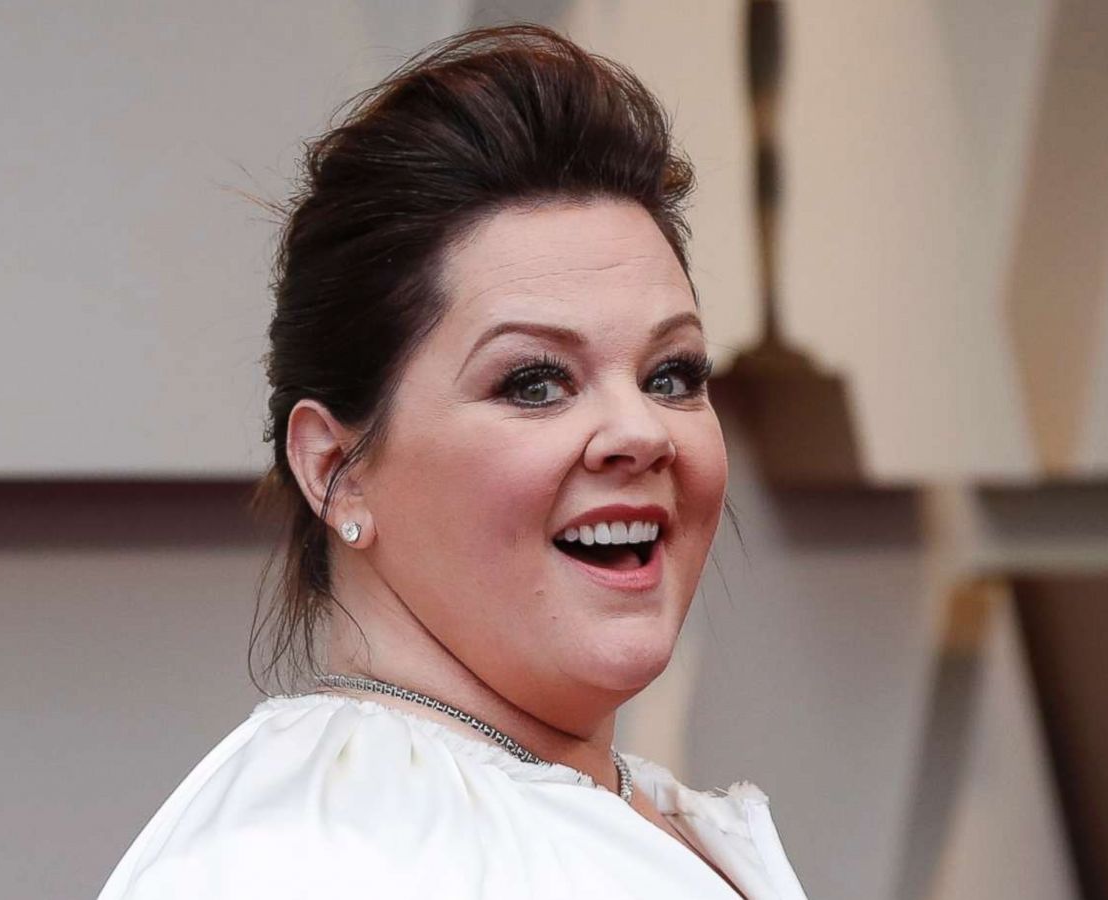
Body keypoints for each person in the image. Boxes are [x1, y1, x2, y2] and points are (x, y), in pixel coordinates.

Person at [97, 23, 807, 900]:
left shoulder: (631, 816)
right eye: (536, 382)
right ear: (335, 469)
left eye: (672, 374)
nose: (642, 432)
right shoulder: (313, 861)